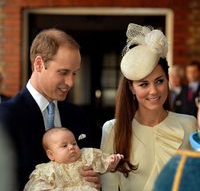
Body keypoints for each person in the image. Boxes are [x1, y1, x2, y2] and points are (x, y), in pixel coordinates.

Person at [100, 23, 197, 191]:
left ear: (168, 81)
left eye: (159, 81)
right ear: (131, 88)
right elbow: (108, 186)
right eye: (144, 84)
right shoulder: (112, 129)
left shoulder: (189, 124)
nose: (153, 91)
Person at [0, 28, 100, 190]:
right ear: (39, 64)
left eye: (74, 74)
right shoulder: (5, 117)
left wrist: (95, 177)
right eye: (63, 72)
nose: (70, 83)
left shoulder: (79, 115)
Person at [24, 127, 123, 191]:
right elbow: (37, 187)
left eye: (74, 143)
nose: (71, 147)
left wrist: (111, 162)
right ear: (51, 155)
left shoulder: (85, 156)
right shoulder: (47, 170)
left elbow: (101, 161)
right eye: (64, 146)